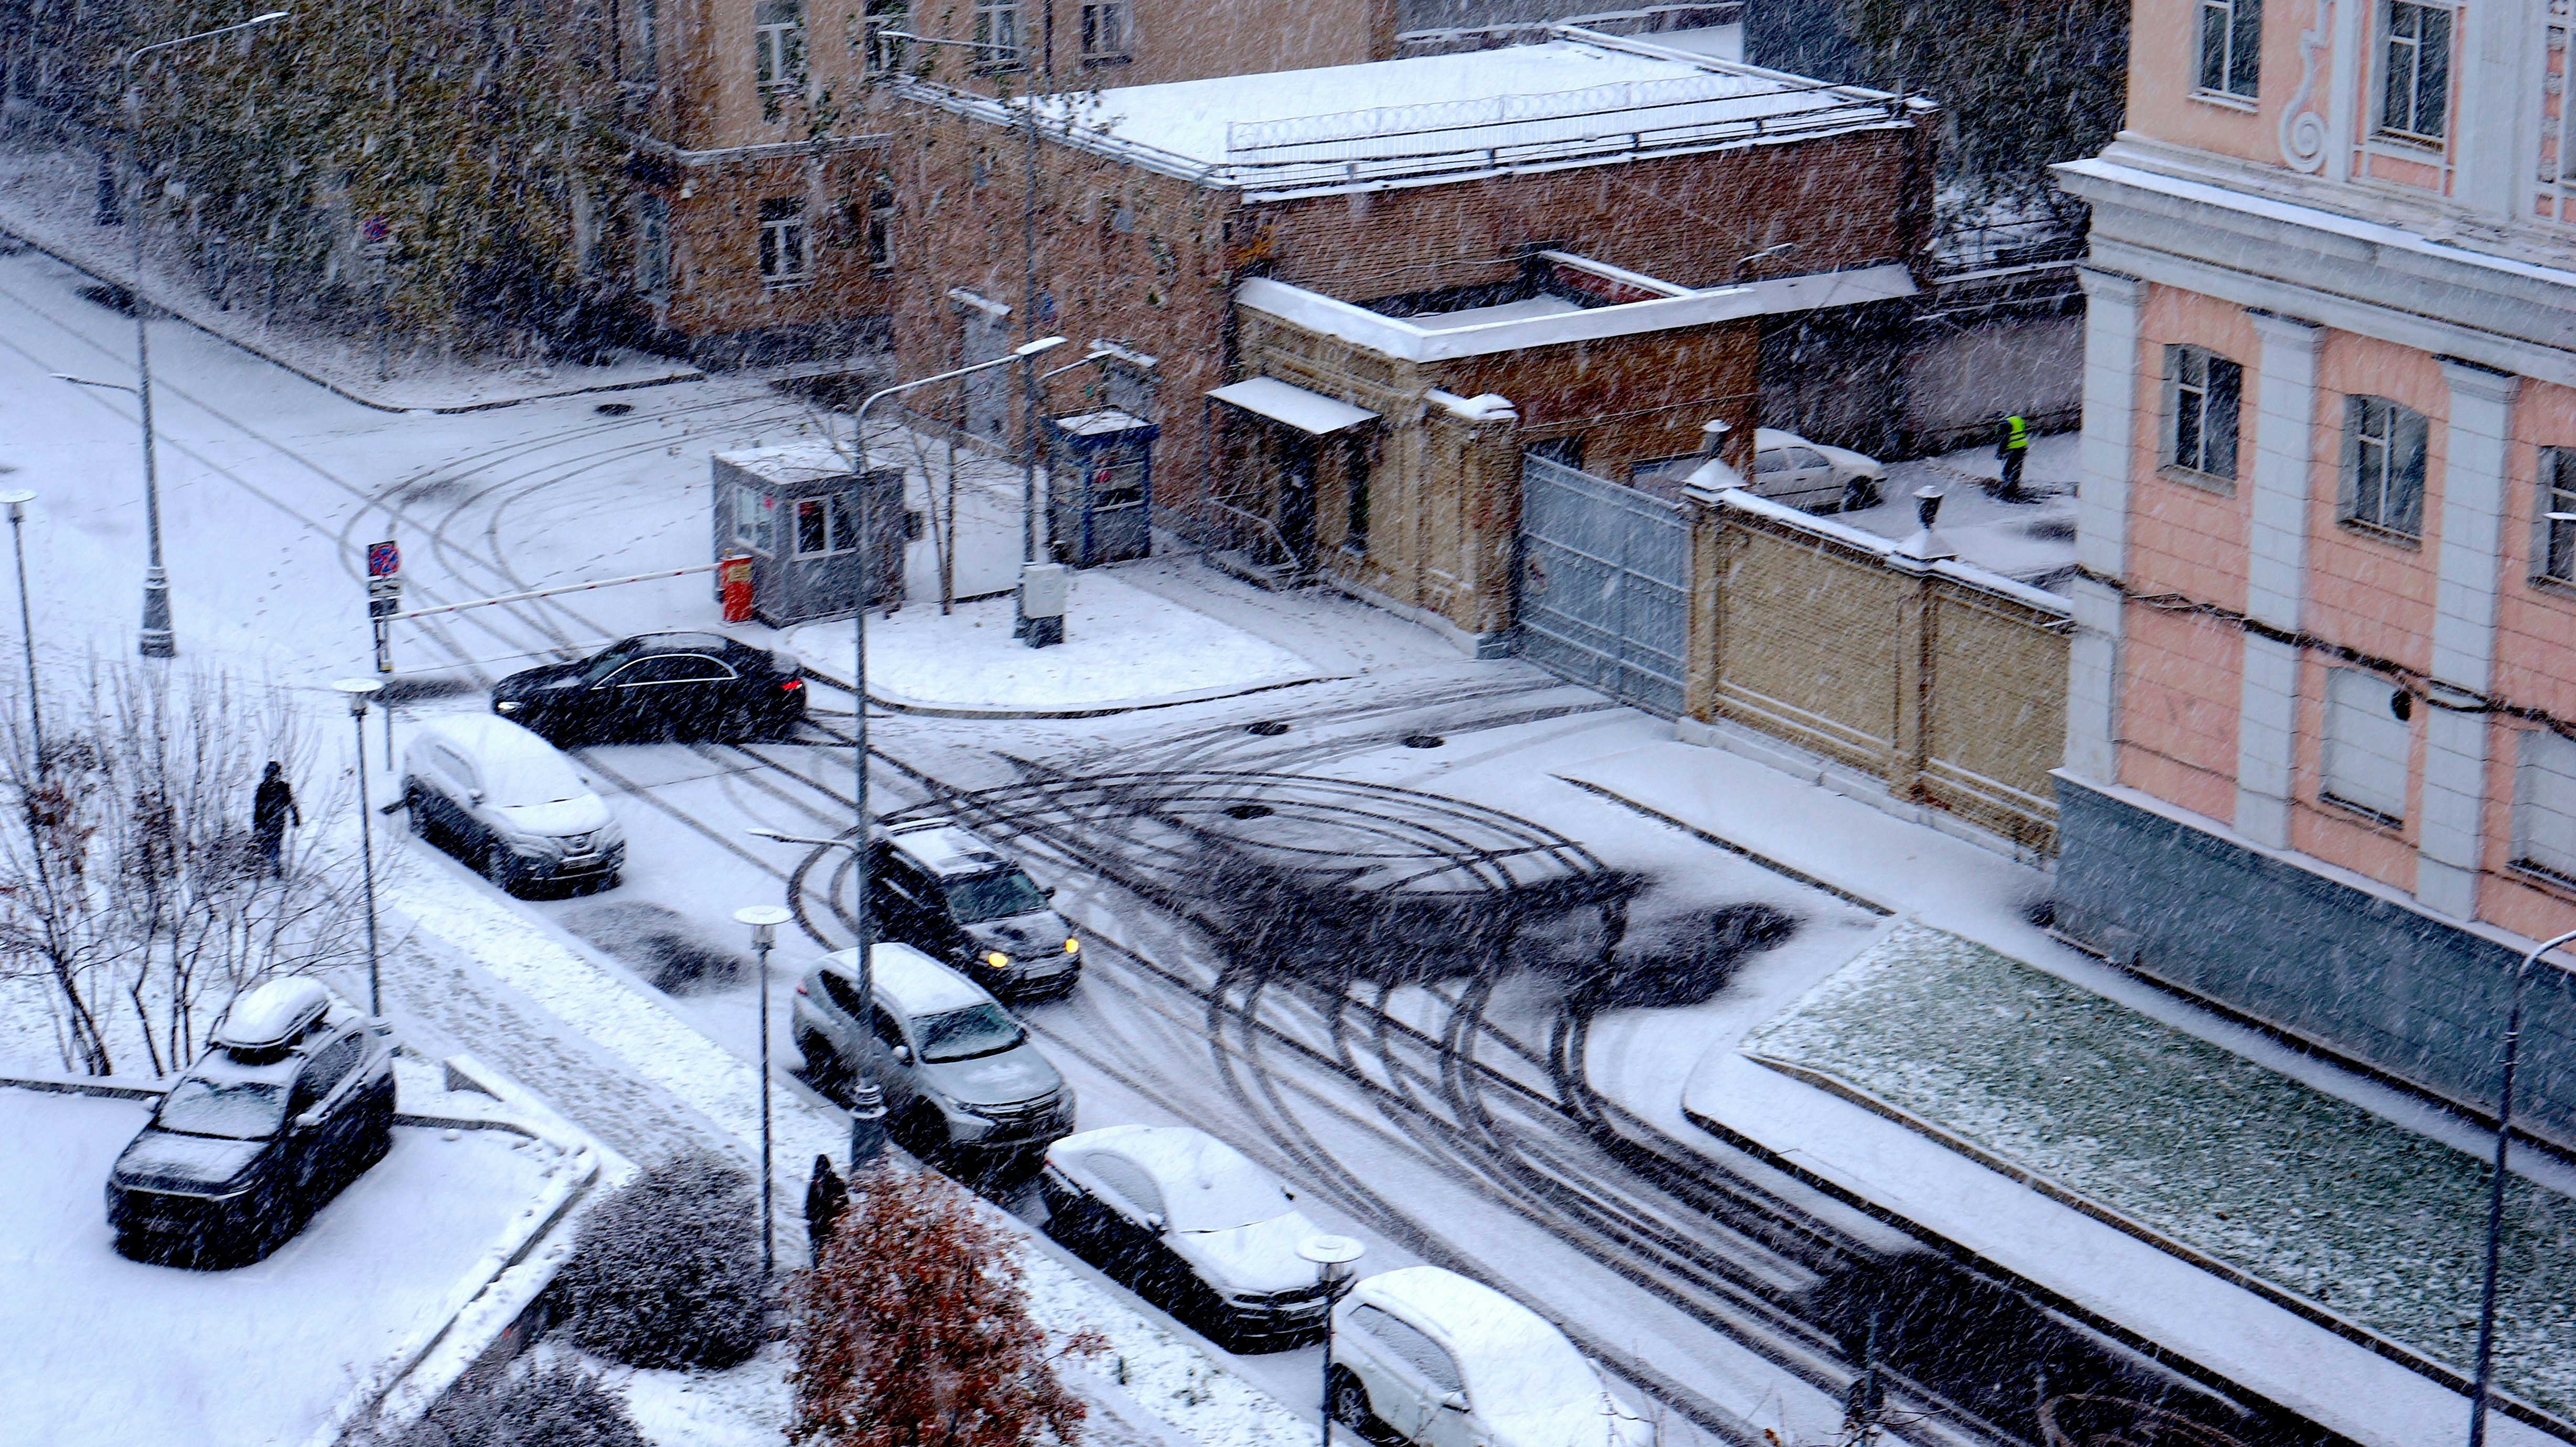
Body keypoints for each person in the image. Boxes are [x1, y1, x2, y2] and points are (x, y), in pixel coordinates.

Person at [252, 761, 299, 878]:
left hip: (275, 822)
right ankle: (271, 865)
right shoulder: (266, 788)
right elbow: (258, 808)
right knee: (269, 845)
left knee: (274, 844)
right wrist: (295, 816)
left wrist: (296, 816)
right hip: (271, 821)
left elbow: (290, 802)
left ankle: (275, 867)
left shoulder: (279, 787)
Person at [806, 1153, 848, 1258]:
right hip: (835, 1226)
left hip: (820, 1227)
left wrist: (814, 1218)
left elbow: (809, 1207)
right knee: (837, 1255)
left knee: (819, 1255)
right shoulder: (838, 1183)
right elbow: (846, 1206)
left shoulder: (815, 1185)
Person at [1995, 412, 2030, 501]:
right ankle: (2014, 486)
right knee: (2017, 468)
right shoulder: (2018, 419)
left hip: (2014, 449)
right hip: (2022, 447)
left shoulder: (2004, 424)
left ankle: (2008, 490)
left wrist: (2000, 452)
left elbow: (2005, 439)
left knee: (2008, 470)